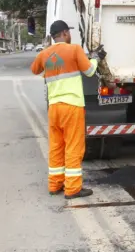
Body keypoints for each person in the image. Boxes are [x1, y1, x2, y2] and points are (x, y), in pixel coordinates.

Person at [31, 20, 106, 199]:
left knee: (57, 146)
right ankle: (72, 189)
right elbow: (89, 72)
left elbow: (34, 70)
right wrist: (96, 58)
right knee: (73, 146)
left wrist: (49, 62)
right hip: (71, 106)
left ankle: (55, 184)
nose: (70, 35)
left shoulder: (44, 54)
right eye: (69, 33)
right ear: (64, 33)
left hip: (54, 108)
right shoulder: (74, 49)